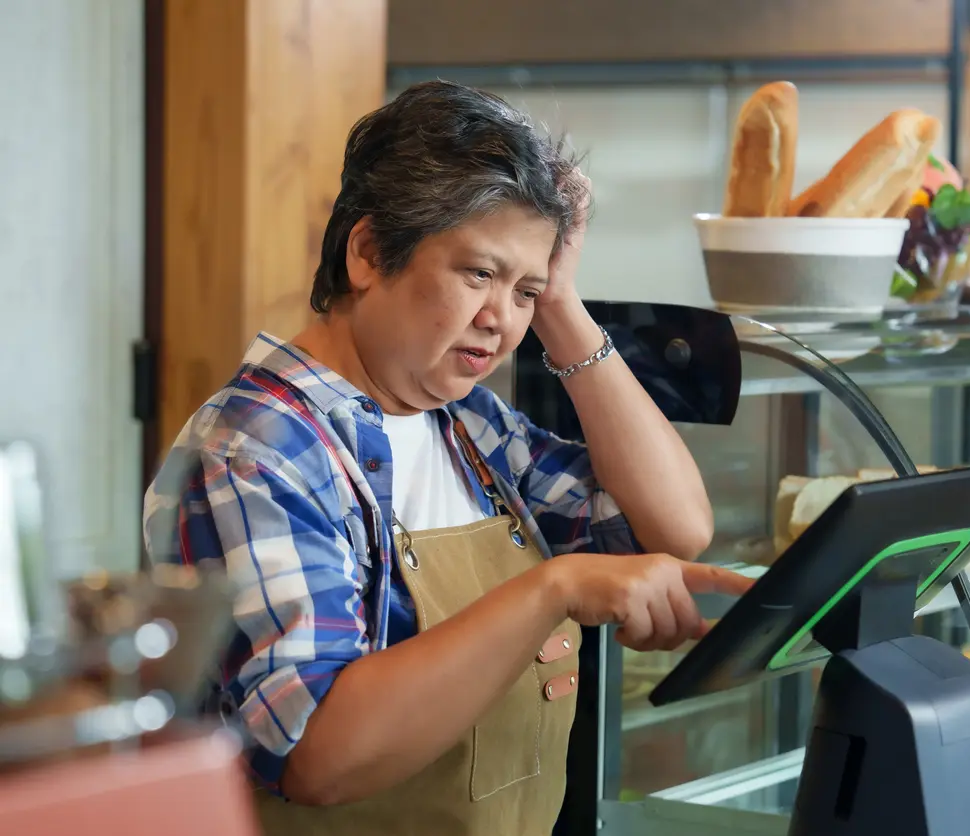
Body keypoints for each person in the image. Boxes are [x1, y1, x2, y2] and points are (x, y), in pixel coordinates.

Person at [142, 80, 752, 836]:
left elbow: (670, 525)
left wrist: (559, 301)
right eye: (478, 273)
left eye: (523, 290)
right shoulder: (257, 449)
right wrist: (552, 588)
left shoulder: (463, 425)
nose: (500, 320)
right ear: (367, 252)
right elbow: (314, 751)